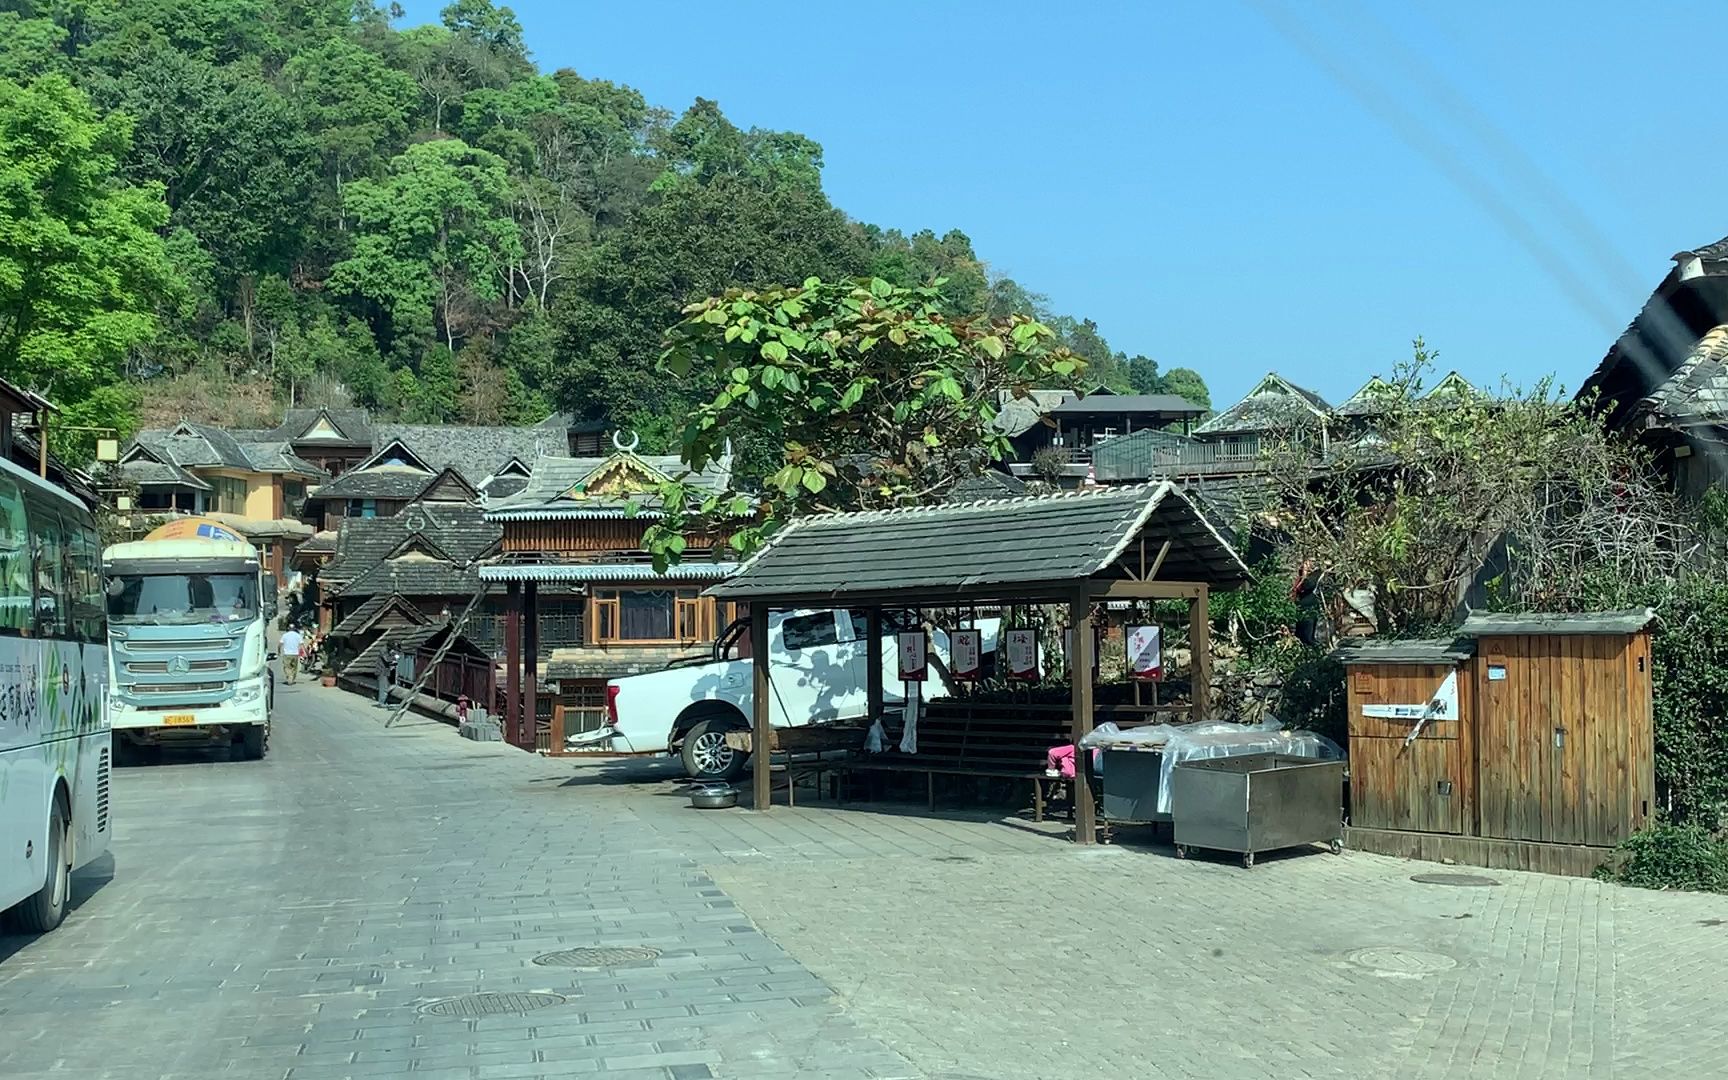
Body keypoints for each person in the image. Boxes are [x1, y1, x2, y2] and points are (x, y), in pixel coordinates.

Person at [375, 636, 401, 708]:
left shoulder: (388, 649)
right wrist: (394, 657)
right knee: (383, 687)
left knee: (386, 686)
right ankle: (381, 703)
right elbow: (387, 659)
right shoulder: (383, 650)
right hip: (381, 671)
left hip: (386, 671)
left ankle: (384, 701)